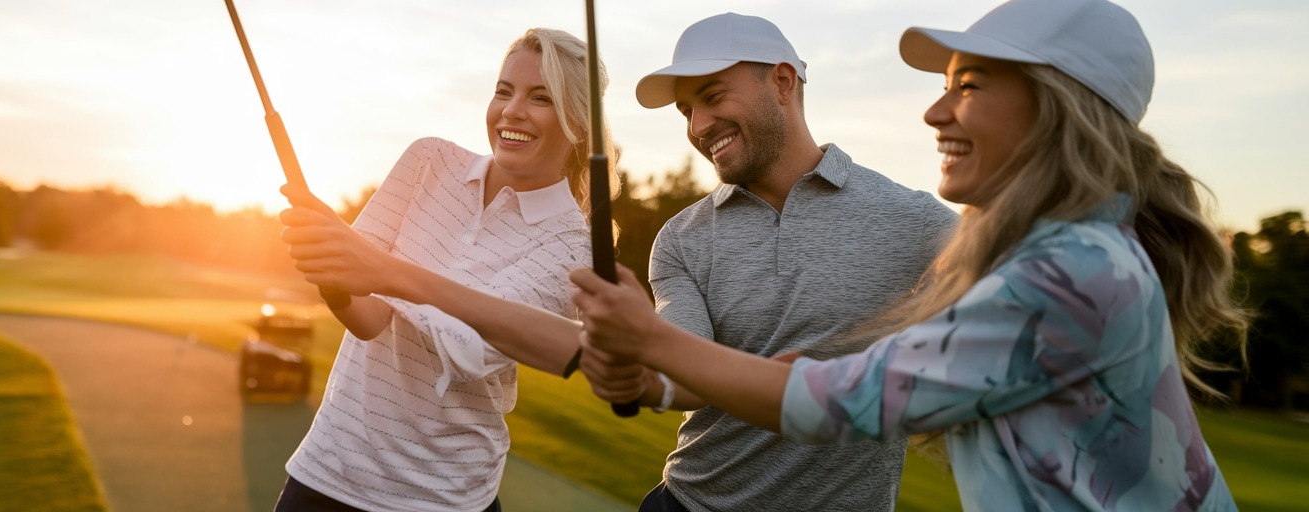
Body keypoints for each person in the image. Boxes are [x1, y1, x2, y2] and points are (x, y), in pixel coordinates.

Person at [571, 0, 1246, 510]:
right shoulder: (1078, 250)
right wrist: (656, 366)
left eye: (969, 85)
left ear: (1055, 108)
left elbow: (843, 399)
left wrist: (648, 340)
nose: (933, 111)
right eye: (686, 109)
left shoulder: (1065, 270)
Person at [577, 12, 958, 512]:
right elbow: (689, 366)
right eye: (686, 110)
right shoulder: (680, 240)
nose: (697, 126)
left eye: (712, 97)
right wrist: (648, 380)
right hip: (690, 503)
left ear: (782, 81)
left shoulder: (919, 222)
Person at [271, 28, 617, 512]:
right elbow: (368, 320)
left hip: (441, 496)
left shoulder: (571, 246)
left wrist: (379, 269)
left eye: (541, 97)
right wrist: (330, 270)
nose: (512, 110)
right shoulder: (427, 159)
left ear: (579, 121)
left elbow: (467, 351)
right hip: (330, 469)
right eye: (504, 91)